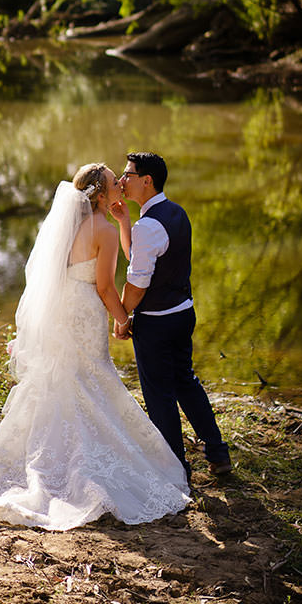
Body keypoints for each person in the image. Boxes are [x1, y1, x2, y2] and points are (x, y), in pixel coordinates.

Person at [0, 164, 190, 531]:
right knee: (89, 376)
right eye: (113, 182)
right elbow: (106, 288)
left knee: (63, 377)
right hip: (85, 312)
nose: (120, 186)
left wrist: (123, 227)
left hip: (62, 309)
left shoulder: (68, 227)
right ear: (99, 194)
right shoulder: (104, 231)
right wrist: (124, 320)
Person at [112, 151, 232, 479]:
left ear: (146, 180)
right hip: (183, 314)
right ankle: (218, 453)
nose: (122, 181)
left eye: (127, 175)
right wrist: (124, 223)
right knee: (186, 383)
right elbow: (139, 256)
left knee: (160, 396)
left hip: (157, 322)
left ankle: (176, 470)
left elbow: (137, 283)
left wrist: (122, 317)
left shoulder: (148, 226)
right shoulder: (175, 212)